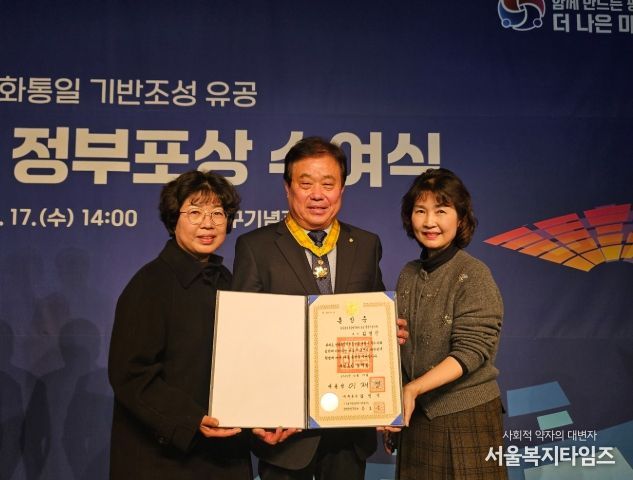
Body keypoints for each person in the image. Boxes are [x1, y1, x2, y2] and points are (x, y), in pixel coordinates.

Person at [231, 136, 407, 480]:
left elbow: (373, 317)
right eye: (306, 183)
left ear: (342, 189)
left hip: (350, 428)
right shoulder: (256, 248)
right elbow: (242, 340)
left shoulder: (365, 244)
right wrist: (255, 414)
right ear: (287, 188)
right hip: (285, 430)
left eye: (328, 184)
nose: (317, 195)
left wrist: (388, 333)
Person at [108, 170, 251, 480]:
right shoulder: (150, 284)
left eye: (218, 213)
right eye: (195, 212)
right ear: (174, 219)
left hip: (225, 457)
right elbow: (130, 375)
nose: (208, 223)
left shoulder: (230, 282)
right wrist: (190, 418)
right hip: (164, 460)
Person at [388, 168, 507, 479]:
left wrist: (412, 389)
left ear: (461, 218)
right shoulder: (408, 273)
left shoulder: (474, 273)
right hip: (416, 417)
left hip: (466, 417)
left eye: (441, 211)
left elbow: (471, 351)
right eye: (420, 211)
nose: (430, 222)